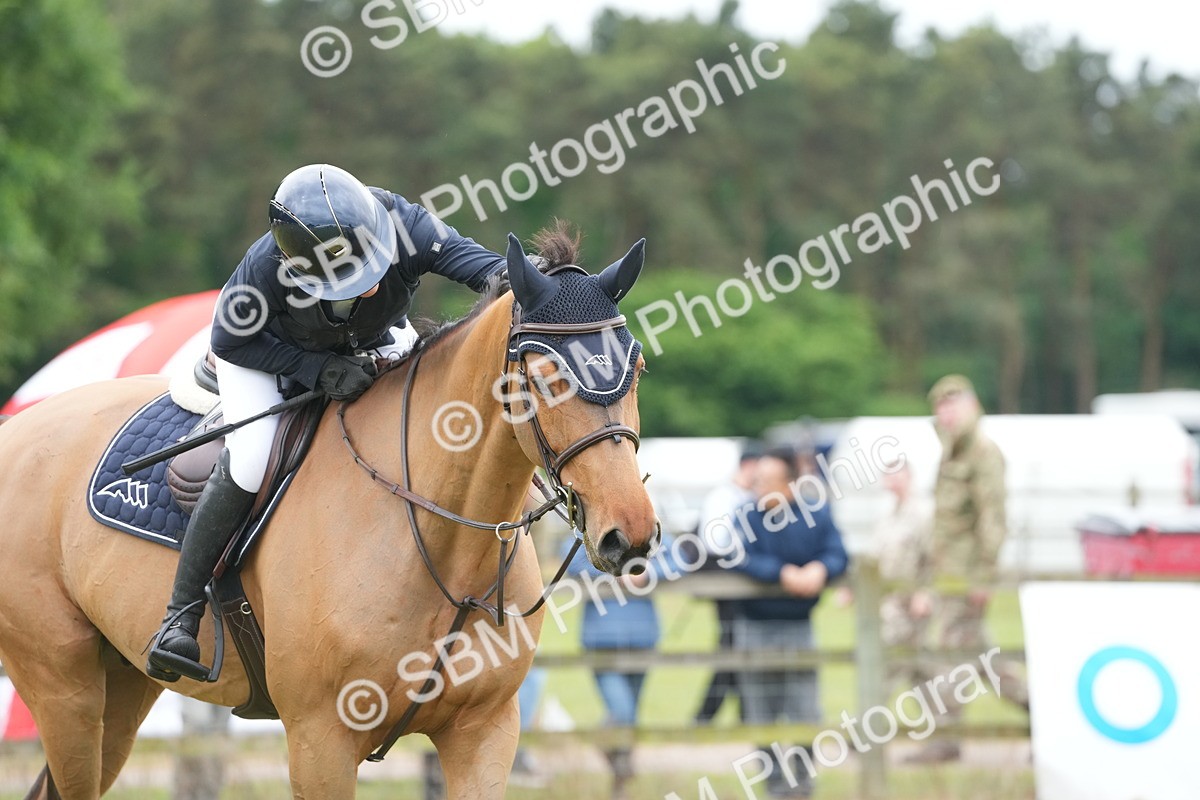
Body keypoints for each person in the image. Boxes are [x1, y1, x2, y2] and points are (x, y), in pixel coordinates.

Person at [147, 163, 507, 682]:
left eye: (370, 270)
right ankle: (180, 614)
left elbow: (484, 268)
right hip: (265, 355)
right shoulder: (264, 271)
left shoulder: (405, 224)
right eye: (349, 280)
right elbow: (229, 341)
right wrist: (316, 369)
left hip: (373, 337)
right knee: (250, 459)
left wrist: (539, 282)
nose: (368, 288)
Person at [907, 374, 1027, 762]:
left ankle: (946, 739)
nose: (946, 414)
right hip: (948, 574)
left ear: (973, 407)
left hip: (966, 576)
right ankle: (1046, 716)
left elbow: (993, 518)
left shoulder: (982, 453)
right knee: (983, 661)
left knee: (950, 656)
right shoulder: (951, 453)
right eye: (940, 407)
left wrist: (984, 576)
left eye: (953, 404)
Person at [731, 446, 848, 799]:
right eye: (758, 480)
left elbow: (838, 552)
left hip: (799, 628)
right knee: (760, 712)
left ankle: (802, 786)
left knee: (804, 710)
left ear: (791, 483)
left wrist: (820, 569)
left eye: (768, 480)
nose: (760, 487)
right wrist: (781, 573)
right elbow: (739, 556)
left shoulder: (816, 514)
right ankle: (774, 787)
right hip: (755, 627)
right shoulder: (745, 517)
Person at [562, 532, 679, 800]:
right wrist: (617, 571)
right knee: (622, 711)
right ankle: (613, 757)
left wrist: (647, 573)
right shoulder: (590, 531)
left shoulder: (646, 531)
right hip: (601, 640)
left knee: (631, 716)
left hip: (642, 637)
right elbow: (571, 561)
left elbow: (680, 558)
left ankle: (619, 784)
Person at [693, 442, 761, 724]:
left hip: (747, 583)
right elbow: (715, 542)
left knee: (738, 648)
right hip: (728, 584)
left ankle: (735, 715)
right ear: (748, 466)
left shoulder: (751, 497)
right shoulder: (723, 498)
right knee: (733, 647)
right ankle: (710, 716)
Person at [869, 461, 934, 691]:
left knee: (894, 656)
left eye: (898, 476)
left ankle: (872, 705)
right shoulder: (887, 516)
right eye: (888, 476)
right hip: (890, 599)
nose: (893, 481)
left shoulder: (924, 513)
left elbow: (933, 557)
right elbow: (876, 557)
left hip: (912, 601)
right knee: (915, 661)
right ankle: (940, 709)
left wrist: (924, 593)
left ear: (909, 477)